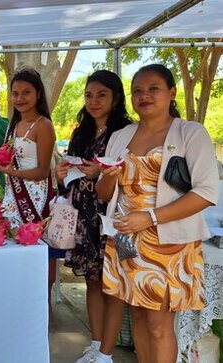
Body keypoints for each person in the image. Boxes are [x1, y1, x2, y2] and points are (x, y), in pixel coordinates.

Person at [96, 64, 218, 363]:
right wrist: (109, 176)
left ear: (171, 92)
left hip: (168, 241)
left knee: (159, 324)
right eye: (137, 90)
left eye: (153, 89)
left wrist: (149, 218)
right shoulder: (121, 135)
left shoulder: (190, 132)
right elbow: (104, 192)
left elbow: (205, 193)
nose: (144, 96)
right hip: (127, 241)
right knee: (137, 315)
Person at [54, 70, 132, 363]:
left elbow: (130, 175)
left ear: (115, 98)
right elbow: (69, 179)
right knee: (92, 281)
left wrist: (102, 172)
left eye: (101, 95)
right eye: (89, 95)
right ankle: (95, 346)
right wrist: (63, 175)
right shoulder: (81, 131)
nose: (94, 101)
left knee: (110, 285)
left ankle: (106, 354)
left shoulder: (126, 132)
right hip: (83, 216)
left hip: (109, 215)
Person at [0, 67, 59, 303]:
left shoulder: (44, 126)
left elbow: (42, 170)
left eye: (26, 93)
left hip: (35, 196)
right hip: (12, 194)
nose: (19, 98)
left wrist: (11, 171)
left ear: (38, 94)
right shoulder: (13, 125)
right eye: (15, 93)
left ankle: (42, 307)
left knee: (35, 252)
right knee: (12, 251)